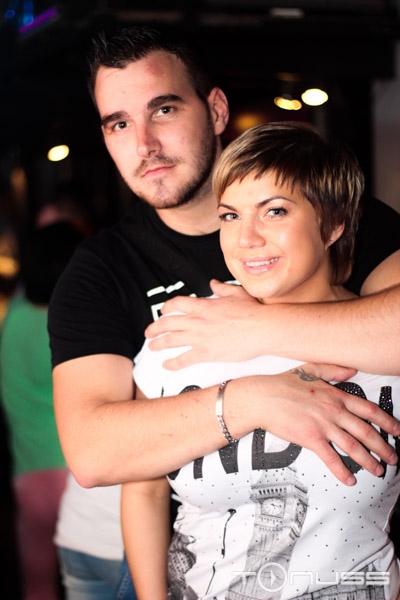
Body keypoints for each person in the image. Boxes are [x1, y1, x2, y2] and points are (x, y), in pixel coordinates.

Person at [48, 25, 400, 500]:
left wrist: (255, 328)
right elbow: (92, 452)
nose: (145, 144)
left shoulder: (326, 217)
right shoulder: (100, 271)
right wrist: (249, 399)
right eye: (120, 124)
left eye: (164, 110)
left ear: (215, 110)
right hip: (157, 536)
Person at [122, 122, 400, 600]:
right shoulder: (187, 333)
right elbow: (143, 487)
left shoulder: (383, 343)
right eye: (230, 215)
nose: (246, 238)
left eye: (274, 211)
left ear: (333, 223)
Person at [0, 222, 84, 600]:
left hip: (28, 476)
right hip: (78, 473)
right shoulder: (74, 325)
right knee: (91, 585)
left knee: (37, 586)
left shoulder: (13, 318)